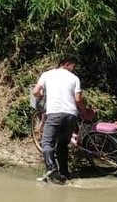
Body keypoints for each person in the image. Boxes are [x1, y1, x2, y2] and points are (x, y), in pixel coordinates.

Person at [32, 55, 85, 184]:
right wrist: (85, 111)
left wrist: (41, 96)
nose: (73, 68)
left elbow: (35, 91)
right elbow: (78, 99)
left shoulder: (47, 75)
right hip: (71, 115)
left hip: (55, 113)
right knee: (62, 144)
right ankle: (64, 174)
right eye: (73, 65)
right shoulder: (75, 78)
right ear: (66, 64)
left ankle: (51, 167)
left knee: (47, 142)